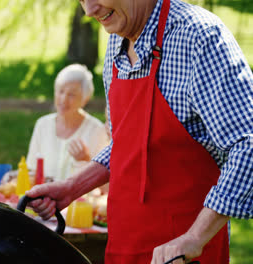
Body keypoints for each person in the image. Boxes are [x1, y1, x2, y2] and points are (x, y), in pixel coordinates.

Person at [27, 0, 252, 263]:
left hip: (185, 256)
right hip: (123, 247)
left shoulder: (199, 37)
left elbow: (247, 145)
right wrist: (73, 187)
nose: (89, 10)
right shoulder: (116, 40)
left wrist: (195, 237)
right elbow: (128, 142)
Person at [26, 64, 110, 181]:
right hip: (43, 197)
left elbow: (103, 180)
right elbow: (31, 171)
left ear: (85, 99)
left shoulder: (97, 131)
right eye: (60, 91)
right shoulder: (42, 125)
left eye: (71, 94)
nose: (63, 99)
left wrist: (86, 160)